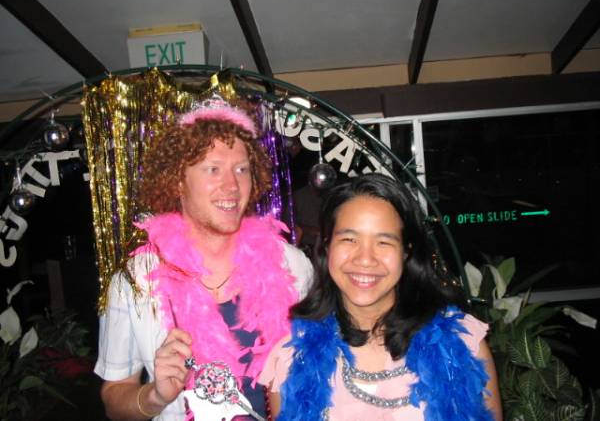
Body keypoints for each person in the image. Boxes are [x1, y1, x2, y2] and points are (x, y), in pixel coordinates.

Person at [94, 97, 313, 420]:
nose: (232, 185)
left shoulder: (293, 266)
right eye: (213, 169)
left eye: (241, 169)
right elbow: (114, 399)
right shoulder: (134, 282)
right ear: (178, 180)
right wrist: (154, 396)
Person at [260, 173, 502, 420]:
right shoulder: (291, 358)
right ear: (327, 246)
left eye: (384, 242)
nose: (365, 259)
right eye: (349, 239)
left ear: (406, 251)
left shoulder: (463, 346)